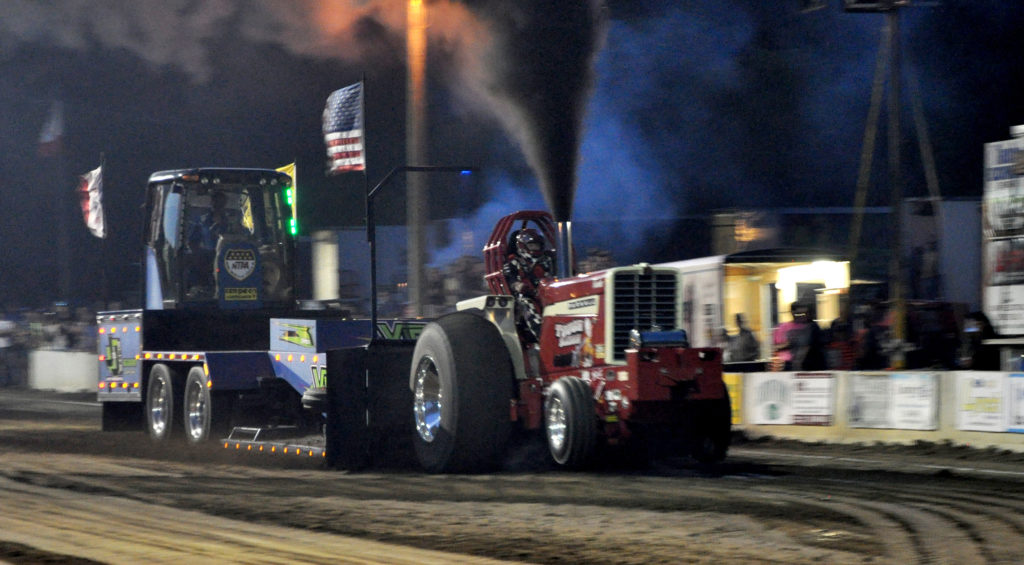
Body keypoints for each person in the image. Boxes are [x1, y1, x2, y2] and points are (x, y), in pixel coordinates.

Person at [502, 228, 554, 343]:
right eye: (532, 245)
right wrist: (519, 286)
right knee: (527, 303)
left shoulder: (548, 260)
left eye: (538, 245)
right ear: (522, 246)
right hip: (525, 296)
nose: (536, 248)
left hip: (549, 292)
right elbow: (511, 281)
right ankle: (543, 337)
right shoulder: (514, 262)